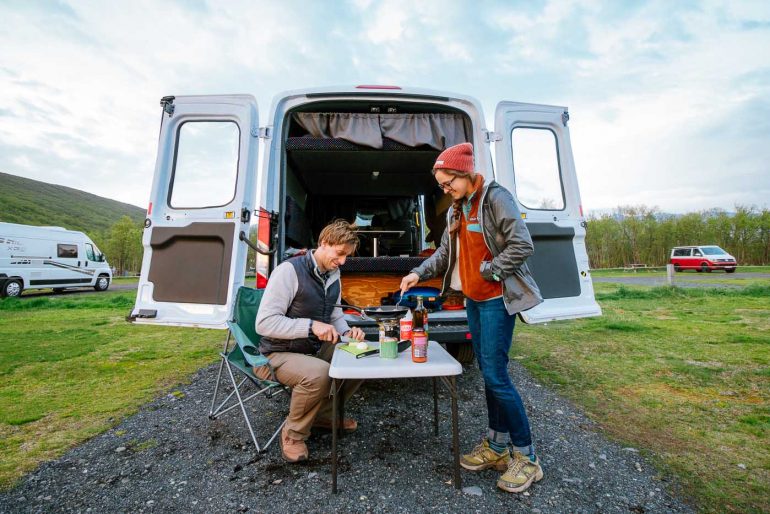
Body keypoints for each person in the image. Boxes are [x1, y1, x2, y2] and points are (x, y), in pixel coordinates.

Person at [399, 142, 544, 494]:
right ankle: (496, 448)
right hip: (473, 302)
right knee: (490, 376)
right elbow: (446, 252)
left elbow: (522, 245)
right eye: (442, 186)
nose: (444, 190)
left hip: (496, 298)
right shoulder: (456, 208)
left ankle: (527, 458)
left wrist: (491, 269)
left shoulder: (496, 198)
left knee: (496, 376)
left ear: (464, 173)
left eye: (448, 183)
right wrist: (419, 272)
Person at [255, 219, 365, 463]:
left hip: (309, 350)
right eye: (340, 254)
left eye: (347, 255)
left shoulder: (333, 272)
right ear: (324, 243)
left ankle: (323, 416)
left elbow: (335, 314)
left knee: (359, 357)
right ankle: (293, 434)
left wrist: (348, 334)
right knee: (319, 373)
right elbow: (264, 323)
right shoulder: (289, 271)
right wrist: (310, 326)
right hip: (274, 354)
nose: (344, 261)